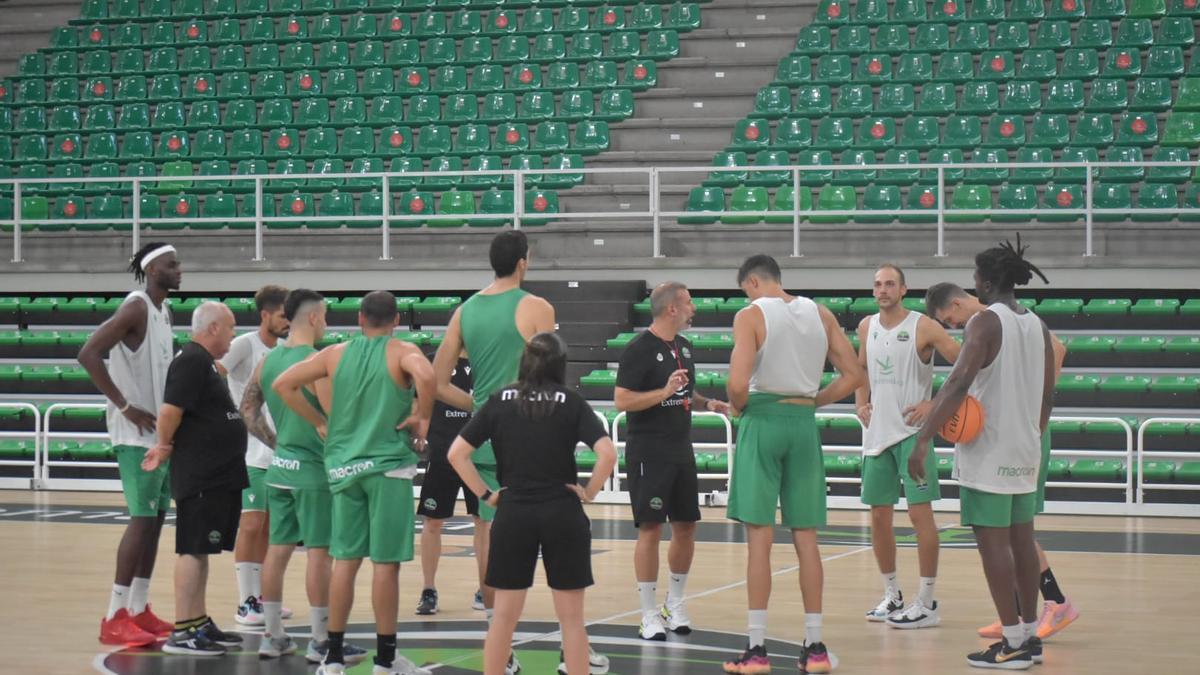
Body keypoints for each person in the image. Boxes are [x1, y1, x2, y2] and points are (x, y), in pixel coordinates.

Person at [909, 239, 1056, 670]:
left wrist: (924, 439)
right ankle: (1030, 635)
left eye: (976, 279)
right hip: (1025, 447)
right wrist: (1031, 433)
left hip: (990, 449)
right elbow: (1048, 393)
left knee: (992, 544)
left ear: (988, 282)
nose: (974, 286)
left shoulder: (986, 323)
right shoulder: (1037, 324)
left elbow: (957, 384)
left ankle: (1011, 641)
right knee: (1022, 542)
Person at [273, 291, 435, 675]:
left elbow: (283, 384)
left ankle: (331, 659)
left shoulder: (335, 354)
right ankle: (385, 660)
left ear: (360, 318)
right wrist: (422, 418)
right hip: (387, 468)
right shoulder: (401, 350)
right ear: (396, 320)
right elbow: (427, 375)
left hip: (344, 469)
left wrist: (316, 421)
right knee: (385, 564)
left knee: (344, 562)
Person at [722, 254, 864, 675]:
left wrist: (740, 408)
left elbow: (735, 383)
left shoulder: (750, 314)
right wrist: (812, 402)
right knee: (807, 540)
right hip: (803, 425)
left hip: (763, 419)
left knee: (760, 540)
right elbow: (854, 374)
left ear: (750, 283)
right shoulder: (819, 312)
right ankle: (816, 647)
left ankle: (757, 649)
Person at [447, 332, 617, 675]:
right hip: (563, 513)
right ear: (561, 365)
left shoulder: (498, 400)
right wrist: (589, 491)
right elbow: (608, 453)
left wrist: (486, 495)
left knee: (503, 622)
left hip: (514, 513)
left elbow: (457, 454)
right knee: (572, 621)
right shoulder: (570, 401)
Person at [432, 230, 560, 675]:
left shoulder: (465, 310)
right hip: (529, 432)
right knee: (555, 532)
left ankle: (499, 645)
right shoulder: (536, 307)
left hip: (485, 431)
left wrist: (481, 406)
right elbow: (552, 373)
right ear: (523, 262)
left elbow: (436, 380)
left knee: (487, 533)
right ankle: (570, 645)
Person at [924, 281, 1078, 642]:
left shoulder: (994, 320)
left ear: (960, 303)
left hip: (1020, 431)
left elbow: (1058, 348)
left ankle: (1055, 602)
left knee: (1011, 532)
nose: (954, 328)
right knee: (1010, 533)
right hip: (1014, 430)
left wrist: (1028, 395)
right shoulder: (1007, 321)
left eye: (952, 320)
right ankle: (1014, 617)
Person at [240, 289, 367, 665]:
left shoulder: (269, 361)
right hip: (313, 471)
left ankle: (273, 636)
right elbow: (335, 422)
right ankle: (320, 639)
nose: (326, 322)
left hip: (280, 469)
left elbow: (247, 408)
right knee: (319, 554)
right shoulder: (317, 363)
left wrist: (276, 443)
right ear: (313, 318)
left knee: (276, 551)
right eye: (325, 316)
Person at [613, 282, 730, 641]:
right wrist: (662, 393)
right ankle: (647, 613)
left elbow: (684, 392)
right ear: (672, 309)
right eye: (690, 302)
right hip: (649, 450)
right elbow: (621, 400)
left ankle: (674, 603)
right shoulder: (638, 350)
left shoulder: (684, 347)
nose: (695, 308)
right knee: (650, 528)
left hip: (681, 448)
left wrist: (707, 403)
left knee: (686, 526)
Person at [79, 242, 180, 646]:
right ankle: (113, 614)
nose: (179, 270)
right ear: (152, 268)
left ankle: (138, 608)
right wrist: (124, 406)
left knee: (155, 521)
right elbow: (87, 353)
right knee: (141, 520)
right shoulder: (136, 306)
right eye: (172, 264)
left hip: (159, 435)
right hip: (136, 435)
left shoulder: (163, 311)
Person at [855, 265, 960, 629]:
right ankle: (892, 594)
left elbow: (965, 364)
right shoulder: (865, 327)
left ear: (903, 289)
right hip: (876, 436)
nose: (882, 290)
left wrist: (935, 404)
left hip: (913, 436)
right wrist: (860, 401)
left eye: (889, 284)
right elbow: (861, 369)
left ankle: (927, 600)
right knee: (879, 518)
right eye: (877, 285)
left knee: (920, 517)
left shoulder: (924, 326)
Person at [141, 302, 248, 656]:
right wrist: (163, 445)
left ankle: (197, 621)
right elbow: (171, 410)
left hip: (218, 474)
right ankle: (183, 631)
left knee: (202, 549)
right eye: (230, 328)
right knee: (192, 548)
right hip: (201, 475)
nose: (233, 335)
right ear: (213, 328)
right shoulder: (190, 360)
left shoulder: (202, 362)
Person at [217, 284, 290, 626]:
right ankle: (246, 602)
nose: (288, 320)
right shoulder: (244, 344)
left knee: (270, 527)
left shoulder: (289, 347)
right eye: (282, 315)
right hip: (247, 452)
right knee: (250, 523)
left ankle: (262, 596)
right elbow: (212, 372)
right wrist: (227, 418)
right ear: (265, 315)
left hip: (277, 452)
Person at [415, 353, 480, 616]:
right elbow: (420, 401)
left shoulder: (485, 361)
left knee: (484, 523)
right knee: (432, 522)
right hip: (442, 453)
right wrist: (421, 432)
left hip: (478, 455)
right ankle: (428, 590)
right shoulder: (437, 362)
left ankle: (484, 589)